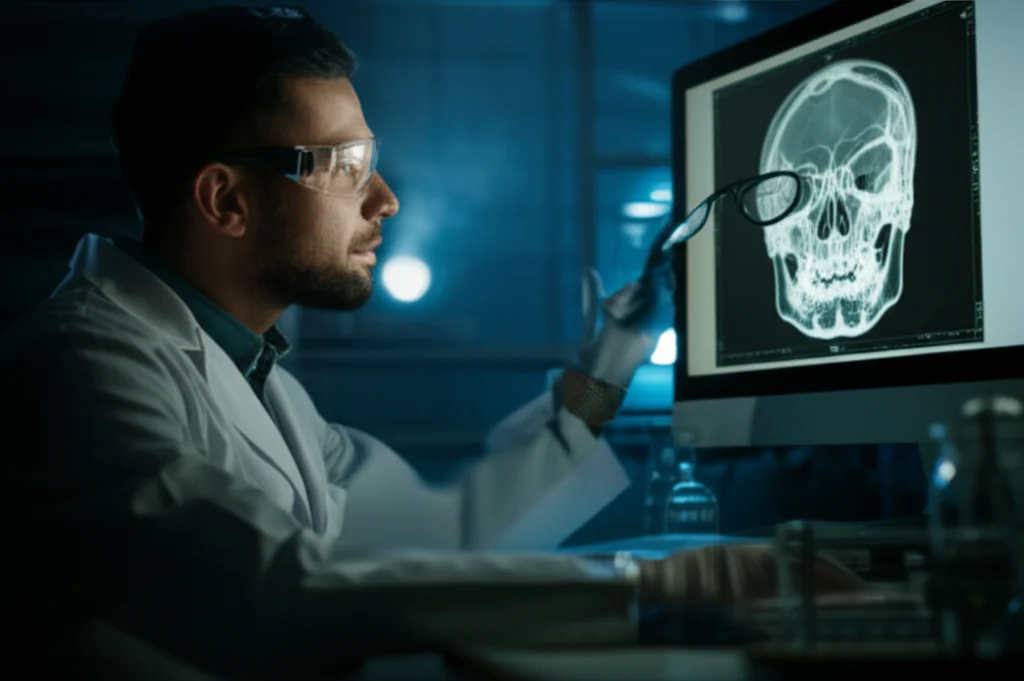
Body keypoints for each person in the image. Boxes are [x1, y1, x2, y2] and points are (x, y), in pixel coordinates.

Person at [0, 5, 864, 678]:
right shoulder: (73, 368)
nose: (384, 200)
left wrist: (617, 354)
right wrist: (666, 590)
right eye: (343, 165)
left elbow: (446, 533)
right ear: (226, 200)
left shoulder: (260, 380)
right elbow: (279, 588)